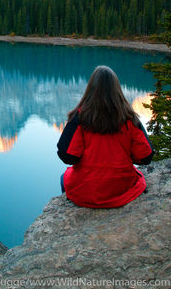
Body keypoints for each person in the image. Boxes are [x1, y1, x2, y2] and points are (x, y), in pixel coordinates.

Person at [57, 65, 154, 208]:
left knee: (63, 178)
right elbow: (145, 156)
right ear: (117, 90)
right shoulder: (130, 119)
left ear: (91, 88)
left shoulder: (80, 118)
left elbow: (67, 156)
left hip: (86, 189)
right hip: (122, 188)